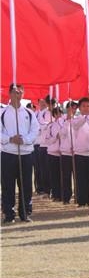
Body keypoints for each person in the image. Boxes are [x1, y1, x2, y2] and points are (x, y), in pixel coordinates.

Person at [1, 84, 39, 223]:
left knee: (26, 184)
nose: (18, 95)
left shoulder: (29, 113)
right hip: (8, 153)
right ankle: (8, 214)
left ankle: (25, 212)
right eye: (15, 92)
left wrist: (24, 140)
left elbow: (35, 131)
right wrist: (10, 139)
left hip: (26, 154)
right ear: (10, 94)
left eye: (20, 93)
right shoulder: (2, 113)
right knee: (7, 185)